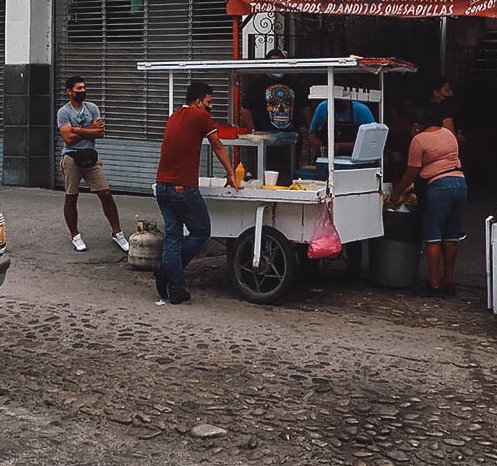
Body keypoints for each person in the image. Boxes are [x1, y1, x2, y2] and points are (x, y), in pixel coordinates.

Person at [153, 80, 240, 304]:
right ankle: (168, 273)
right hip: (182, 188)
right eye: (209, 102)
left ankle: (175, 288)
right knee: (201, 231)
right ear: (199, 101)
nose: (211, 107)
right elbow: (218, 145)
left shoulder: (173, 116)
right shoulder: (199, 116)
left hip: (162, 186)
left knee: (173, 237)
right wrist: (231, 174)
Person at [389, 108, 467, 297]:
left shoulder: (419, 140)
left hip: (439, 186)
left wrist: (397, 191)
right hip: (460, 183)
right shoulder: (448, 134)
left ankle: (434, 285)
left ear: (417, 126)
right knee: (451, 237)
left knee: (433, 237)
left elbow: (412, 171)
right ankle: (449, 282)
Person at [57, 76, 129, 253]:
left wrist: (78, 130)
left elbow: (100, 133)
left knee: (105, 193)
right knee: (71, 195)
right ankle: (75, 235)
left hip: (90, 156)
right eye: (78, 88)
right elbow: (68, 139)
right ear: (69, 92)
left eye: (83, 88)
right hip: (71, 157)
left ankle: (117, 233)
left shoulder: (92, 108)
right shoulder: (64, 112)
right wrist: (89, 130)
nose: (82, 91)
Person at [239, 48, 307, 184]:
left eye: (280, 63)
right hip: (266, 139)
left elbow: (305, 107)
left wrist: (310, 130)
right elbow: (245, 109)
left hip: (290, 139)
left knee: (289, 174)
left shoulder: (294, 83)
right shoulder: (257, 84)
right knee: (266, 175)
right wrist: (254, 132)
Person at [307, 97, 375, 156]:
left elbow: (371, 143)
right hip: (326, 160)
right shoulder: (322, 107)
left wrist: (340, 147)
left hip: (355, 163)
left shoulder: (361, 110)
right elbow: (312, 134)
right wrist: (315, 143)